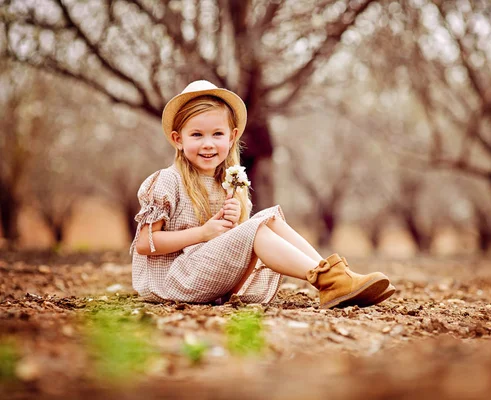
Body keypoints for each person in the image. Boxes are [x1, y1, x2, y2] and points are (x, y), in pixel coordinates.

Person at [130, 80, 395, 309]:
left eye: (217, 134)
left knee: (269, 218)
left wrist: (233, 221)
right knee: (255, 230)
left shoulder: (228, 182)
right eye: (197, 134)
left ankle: (335, 277)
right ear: (178, 139)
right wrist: (204, 233)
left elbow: (224, 241)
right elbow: (144, 243)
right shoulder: (168, 181)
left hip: (201, 270)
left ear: (232, 137)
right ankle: (327, 281)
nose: (208, 143)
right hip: (172, 280)